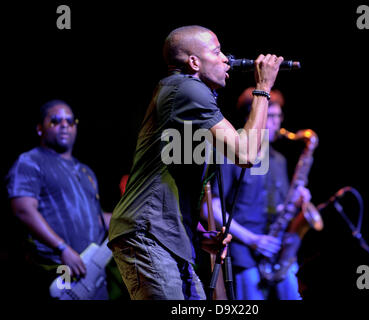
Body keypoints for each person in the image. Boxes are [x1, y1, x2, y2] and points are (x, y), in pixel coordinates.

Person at [108, 25, 283, 300]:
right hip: (147, 233)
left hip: (167, 237)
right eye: (217, 51)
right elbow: (247, 155)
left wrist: (199, 236)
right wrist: (262, 88)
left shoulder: (186, 96)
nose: (226, 58)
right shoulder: (186, 89)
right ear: (193, 62)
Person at [202, 87, 310, 300]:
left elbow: (280, 208)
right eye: (269, 116)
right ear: (252, 117)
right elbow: (209, 208)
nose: (276, 123)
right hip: (244, 253)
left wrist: (298, 201)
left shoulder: (279, 160)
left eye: (278, 116)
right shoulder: (231, 156)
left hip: (277, 252)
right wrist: (252, 240)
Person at [6, 99, 112, 300]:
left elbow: (95, 219)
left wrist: (129, 218)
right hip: (57, 274)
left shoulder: (85, 171)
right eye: (55, 121)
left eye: (70, 121)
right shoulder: (30, 161)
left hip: (93, 278)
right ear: (40, 128)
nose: (64, 125)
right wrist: (62, 248)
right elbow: (23, 210)